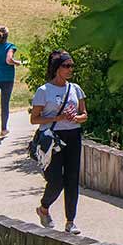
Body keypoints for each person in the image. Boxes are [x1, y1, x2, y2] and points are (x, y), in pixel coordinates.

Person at [29, 50, 87, 234]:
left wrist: (77, 118)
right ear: (57, 68)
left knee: (72, 179)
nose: (70, 69)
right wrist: (58, 117)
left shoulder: (76, 89)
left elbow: (84, 114)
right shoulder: (44, 91)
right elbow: (34, 119)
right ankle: (44, 208)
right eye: (66, 66)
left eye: (71, 66)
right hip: (53, 139)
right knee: (56, 181)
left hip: (73, 136)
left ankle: (71, 222)